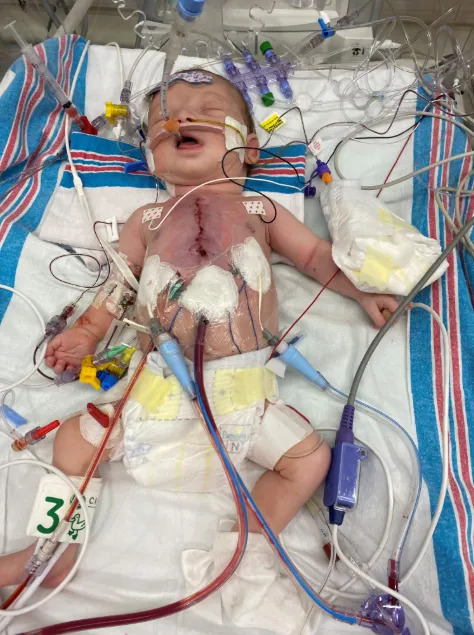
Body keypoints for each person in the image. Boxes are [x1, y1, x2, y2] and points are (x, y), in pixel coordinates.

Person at [0, 69, 397, 627]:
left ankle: (249, 547)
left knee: (309, 462)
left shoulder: (260, 209)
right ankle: (57, 550)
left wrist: (360, 290)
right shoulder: (148, 219)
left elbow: (313, 257)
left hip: (243, 390)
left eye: (207, 109)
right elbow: (118, 285)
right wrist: (88, 331)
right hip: (155, 385)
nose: (182, 118)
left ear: (249, 149)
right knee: (74, 439)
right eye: (165, 119)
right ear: (151, 157)